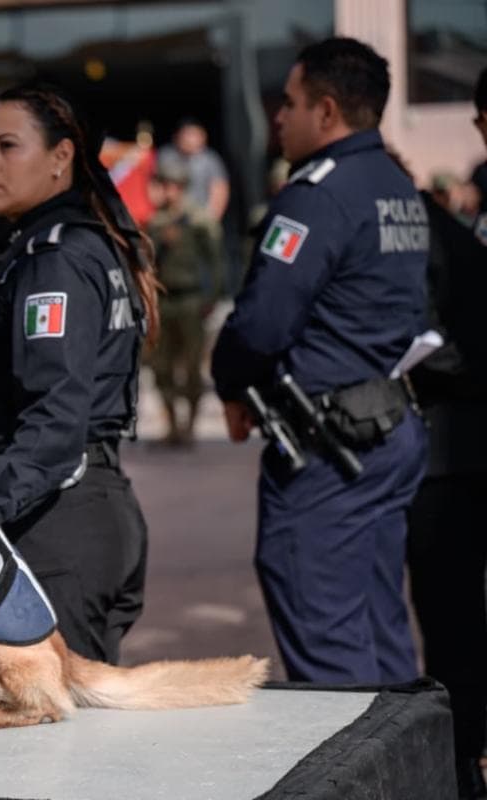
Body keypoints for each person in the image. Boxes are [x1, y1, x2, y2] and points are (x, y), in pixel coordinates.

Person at [211, 38, 429, 685]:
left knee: (328, 637)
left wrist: (230, 382)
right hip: (384, 430)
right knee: (378, 623)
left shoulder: (318, 194)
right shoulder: (396, 185)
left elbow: (262, 322)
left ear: (327, 112)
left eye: (292, 103)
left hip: (330, 449)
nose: (278, 116)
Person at [0, 82, 160, 666]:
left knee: (54, 742)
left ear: (61, 157)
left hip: (59, 523)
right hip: (79, 512)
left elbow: (53, 426)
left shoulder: (57, 258)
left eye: (8, 146)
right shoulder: (60, 245)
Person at [404, 67, 487, 800]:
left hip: (461, 447)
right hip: (457, 455)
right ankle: (464, 766)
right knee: (457, 633)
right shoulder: (467, 222)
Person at [146, 161, 224, 446]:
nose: (166, 192)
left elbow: (215, 262)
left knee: (191, 367)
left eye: (171, 186)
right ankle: (171, 424)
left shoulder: (198, 220)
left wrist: (212, 296)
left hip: (191, 300)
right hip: (164, 302)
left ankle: (189, 425)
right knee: (160, 366)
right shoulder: (155, 222)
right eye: (162, 185)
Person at [156, 119, 230, 221]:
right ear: (177, 136)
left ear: (203, 136)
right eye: (186, 134)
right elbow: (154, 185)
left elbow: (219, 189)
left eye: (193, 134)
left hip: (199, 215)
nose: (189, 139)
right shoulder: (166, 155)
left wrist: (212, 218)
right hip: (169, 214)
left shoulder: (210, 160)